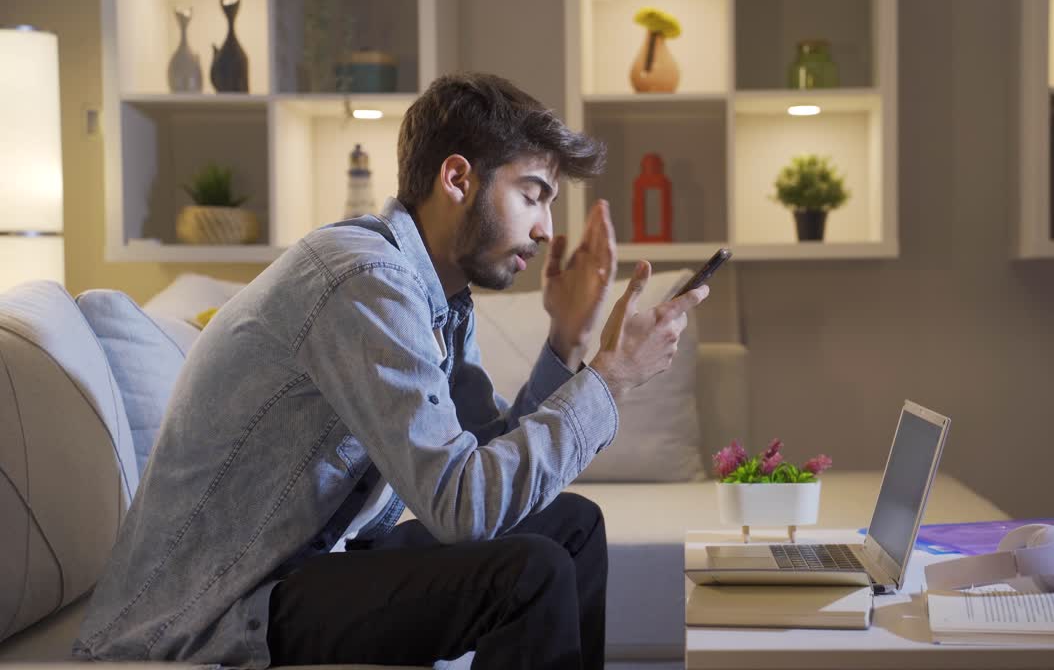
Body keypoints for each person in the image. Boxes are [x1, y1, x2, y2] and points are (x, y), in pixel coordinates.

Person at [73, 72, 709, 670]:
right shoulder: (364, 279)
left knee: (571, 525)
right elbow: (466, 509)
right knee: (529, 571)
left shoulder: (437, 296)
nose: (546, 229)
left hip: (312, 566)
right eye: (532, 195)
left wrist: (567, 342)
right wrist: (612, 378)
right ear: (457, 178)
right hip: (219, 606)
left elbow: (484, 463)